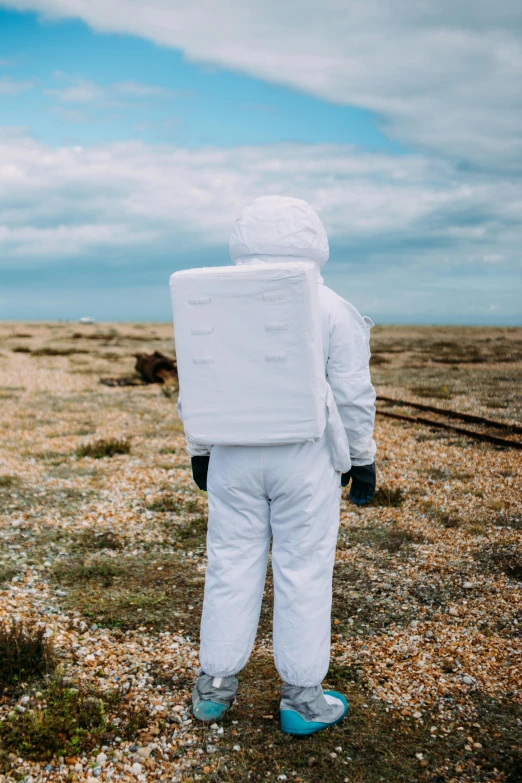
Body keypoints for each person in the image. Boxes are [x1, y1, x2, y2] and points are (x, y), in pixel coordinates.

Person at [180, 196, 376, 735]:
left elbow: (197, 380)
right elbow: (354, 393)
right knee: (304, 569)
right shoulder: (332, 305)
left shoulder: (211, 298)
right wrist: (362, 458)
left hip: (231, 455)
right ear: (313, 239)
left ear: (242, 238)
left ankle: (214, 687)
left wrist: (200, 448)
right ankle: (302, 699)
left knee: (229, 564)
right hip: (305, 458)